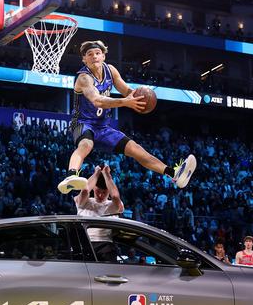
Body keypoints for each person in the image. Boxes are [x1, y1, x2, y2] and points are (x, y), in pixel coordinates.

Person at [57, 40, 197, 194]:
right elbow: (97, 100)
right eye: (90, 55)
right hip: (83, 123)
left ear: (103, 56)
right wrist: (125, 102)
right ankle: (71, 176)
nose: (94, 56)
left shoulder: (110, 70)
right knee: (86, 145)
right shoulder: (84, 78)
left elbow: (127, 91)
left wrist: (139, 98)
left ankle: (173, 173)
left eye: (97, 53)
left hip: (103, 127)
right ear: (84, 59)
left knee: (135, 149)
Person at [75, 165, 123, 242]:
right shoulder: (84, 202)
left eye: (104, 192)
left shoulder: (112, 205)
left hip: (105, 245)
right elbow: (85, 191)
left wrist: (107, 174)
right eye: (98, 191)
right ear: (93, 187)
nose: (100, 195)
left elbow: (115, 196)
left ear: (109, 191)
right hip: (84, 244)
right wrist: (96, 173)